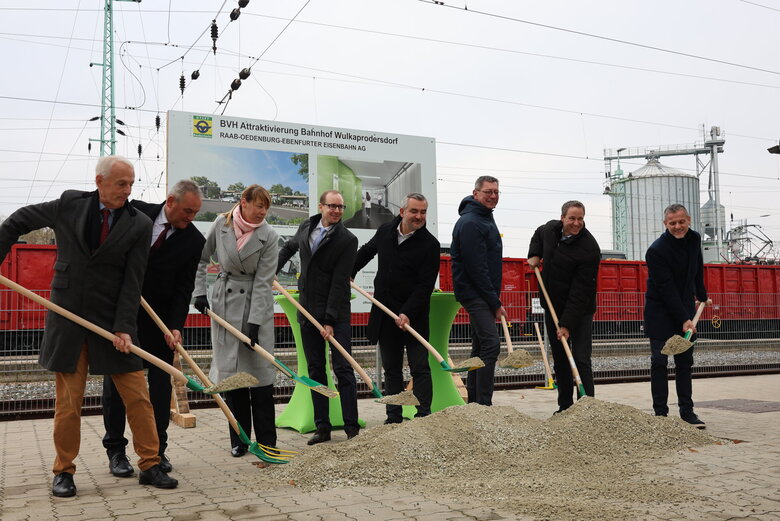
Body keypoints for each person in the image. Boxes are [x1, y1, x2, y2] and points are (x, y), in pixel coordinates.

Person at [0, 155, 176, 497]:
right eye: (120, 184)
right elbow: (19, 220)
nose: (127, 190)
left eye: (130, 183)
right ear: (100, 182)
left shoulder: (138, 224)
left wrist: (125, 326)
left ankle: (150, 464)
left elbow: (133, 280)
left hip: (113, 324)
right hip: (68, 318)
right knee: (69, 404)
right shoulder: (69, 204)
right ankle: (63, 471)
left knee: (138, 396)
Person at [101, 180, 205, 476]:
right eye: (187, 211)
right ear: (170, 201)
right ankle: (116, 451)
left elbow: (184, 289)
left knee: (160, 386)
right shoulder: (136, 213)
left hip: (159, 321)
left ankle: (157, 450)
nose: (190, 218)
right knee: (117, 385)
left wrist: (174, 326)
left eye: (195, 213)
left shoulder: (193, 241)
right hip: (123, 316)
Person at [193, 185, 280, 456]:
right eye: (258, 206)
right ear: (244, 202)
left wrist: (255, 321)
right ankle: (239, 439)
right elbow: (200, 258)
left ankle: (267, 442)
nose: (263, 212)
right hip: (225, 306)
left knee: (260, 378)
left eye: (266, 207)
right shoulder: (221, 224)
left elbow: (265, 283)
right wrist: (199, 293)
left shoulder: (270, 236)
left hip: (257, 307)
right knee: (234, 379)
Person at [277, 190, 359, 444]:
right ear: (321, 206)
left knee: (344, 369)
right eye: (332, 206)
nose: (336, 211)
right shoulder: (306, 226)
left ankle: (351, 428)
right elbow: (289, 248)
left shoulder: (347, 239)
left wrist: (330, 320)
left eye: (341, 207)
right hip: (307, 311)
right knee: (315, 371)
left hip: (336, 314)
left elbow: (339, 283)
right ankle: (322, 427)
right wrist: (271, 270)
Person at [352, 193, 439, 423]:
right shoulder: (386, 231)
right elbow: (367, 251)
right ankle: (393, 417)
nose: (419, 216)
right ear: (402, 212)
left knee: (419, 368)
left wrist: (407, 312)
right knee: (392, 370)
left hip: (415, 318)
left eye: (423, 212)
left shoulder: (430, 245)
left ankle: (423, 416)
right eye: (414, 211)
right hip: (385, 313)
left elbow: (425, 286)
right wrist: (349, 272)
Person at [527, 200, 601, 413]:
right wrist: (535, 253)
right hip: (552, 306)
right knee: (560, 359)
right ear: (562, 218)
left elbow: (581, 292)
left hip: (580, 310)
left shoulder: (589, 249)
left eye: (580, 219)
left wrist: (567, 324)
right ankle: (565, 407)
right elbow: (538, 234)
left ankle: (587, 407)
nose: (576, 223)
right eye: (572, 218)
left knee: (579, 357)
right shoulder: (550, 229)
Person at [644, 204, 710, 428]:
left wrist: (701, 294)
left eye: (681, 221)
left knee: (684, 362)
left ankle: (687, 412)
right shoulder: (656, 251)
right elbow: (666, 288)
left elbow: (697, 267)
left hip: (685, 308)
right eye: (672, 223)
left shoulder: (694, 239)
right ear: (665, 224)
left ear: (688, 220)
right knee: (659, 362)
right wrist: (684, 318)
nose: (678, 226)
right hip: (660, 311)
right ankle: (661, 414)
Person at [450, 176, 506, 406]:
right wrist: (494, 302)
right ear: (475, 194)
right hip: (477, 293)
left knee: (480, 347)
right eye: (488, 192)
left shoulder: (484, 218)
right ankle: (483, 404)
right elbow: (477, 267)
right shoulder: (473, 222)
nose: (493, 196)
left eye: (496, 192)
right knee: (491, 345)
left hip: (481, 292)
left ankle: (474, 402)